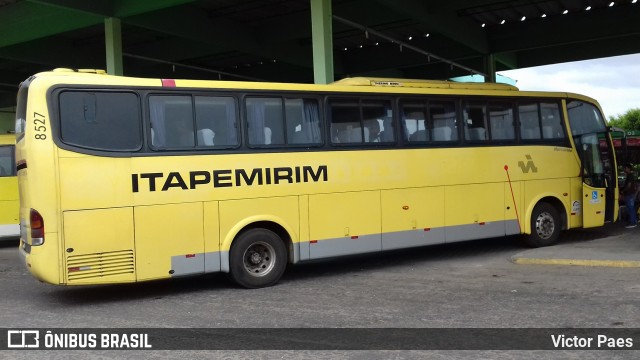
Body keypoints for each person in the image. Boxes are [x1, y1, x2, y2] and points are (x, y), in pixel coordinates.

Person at [620, 163, 637, 228]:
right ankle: (633, 221)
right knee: (630, 208)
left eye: (625, 168)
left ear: (628, 168)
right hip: (629, 194)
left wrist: (623, 191)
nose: (624, 169)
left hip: (630, 194)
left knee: (630, 208)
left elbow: (629, 186)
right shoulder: (629, 176)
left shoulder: (630, 176)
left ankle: (633, 223)